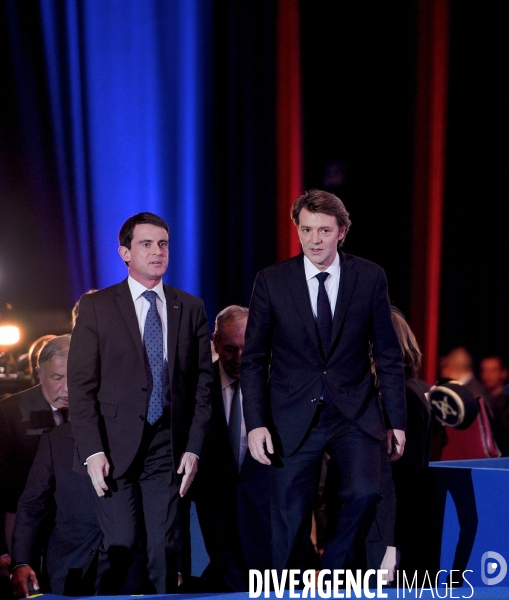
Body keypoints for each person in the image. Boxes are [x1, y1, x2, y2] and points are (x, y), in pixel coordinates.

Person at [241, 189, 406, 574]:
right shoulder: (271, 281)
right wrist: (256, 423)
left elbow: (388, 355)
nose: (315, 239)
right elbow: (252, 360)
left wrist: (395, 420)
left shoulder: (369, 277)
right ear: (297, 231)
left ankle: (331, 569)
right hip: (291, 414)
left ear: (342, 232)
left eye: (324, 231)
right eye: (307, 229)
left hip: (355, 411)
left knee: (366, 493)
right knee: (290, 515)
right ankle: (289, 590)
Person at [68, 212, 213, 594]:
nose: (157, 251)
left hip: (167, 444)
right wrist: (92, 450)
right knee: (121, 545)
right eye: (146, 244)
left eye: (163, 244)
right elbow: (81, 388)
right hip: (112, 448)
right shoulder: (97, 308)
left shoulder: (190, 307)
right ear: (125, 253)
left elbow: (202, 385)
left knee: (165, 549)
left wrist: (194, 447)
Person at [193, 305, 270, 591]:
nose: (239, 358)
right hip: (212, 518)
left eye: (246, 348)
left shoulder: (276, 383)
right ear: (214, 342)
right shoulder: (195, 384)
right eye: (230, 349)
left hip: (265, 514)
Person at [0, 334, 71, 585]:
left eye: (73, 377)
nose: (67, 388)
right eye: (57, 378)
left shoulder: (93, 410)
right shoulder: (8, 414)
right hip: (21, 532)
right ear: (40, 374)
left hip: (72, 541)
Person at [10, 422, 102, 597]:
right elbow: (32, 505)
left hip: (125, 565)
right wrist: (21, 562)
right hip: (67, 566)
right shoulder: (57, 438)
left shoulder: (136, 430)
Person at [480, 355, 509, 456]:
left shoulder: (504, 404)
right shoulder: (481, 399)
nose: (487, 375)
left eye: (493, 371)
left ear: (504, 373)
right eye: (484, 370)